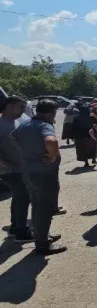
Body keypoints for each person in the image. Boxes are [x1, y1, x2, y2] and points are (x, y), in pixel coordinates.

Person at [11, 99, 66, 255]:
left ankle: (41, 235)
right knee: (45, 209)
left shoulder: (25, 124)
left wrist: (26, 152)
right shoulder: (44, 124)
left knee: (37, 205)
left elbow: (12, 138)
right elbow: (51, 140)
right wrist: (52, 157)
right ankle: (43, 244)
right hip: (44, 173)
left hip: (28, 171)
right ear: (51, 113)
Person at [0, 96, 33, 242]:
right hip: (9, 169)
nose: (23, 110)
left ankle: (15, 227)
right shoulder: (1, 124)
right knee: (23, 196)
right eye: (21, 107)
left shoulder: (18, 120)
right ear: (10, 106)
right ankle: (21, 232)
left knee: (19, 197)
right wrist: (3, 166)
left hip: (21, 167)